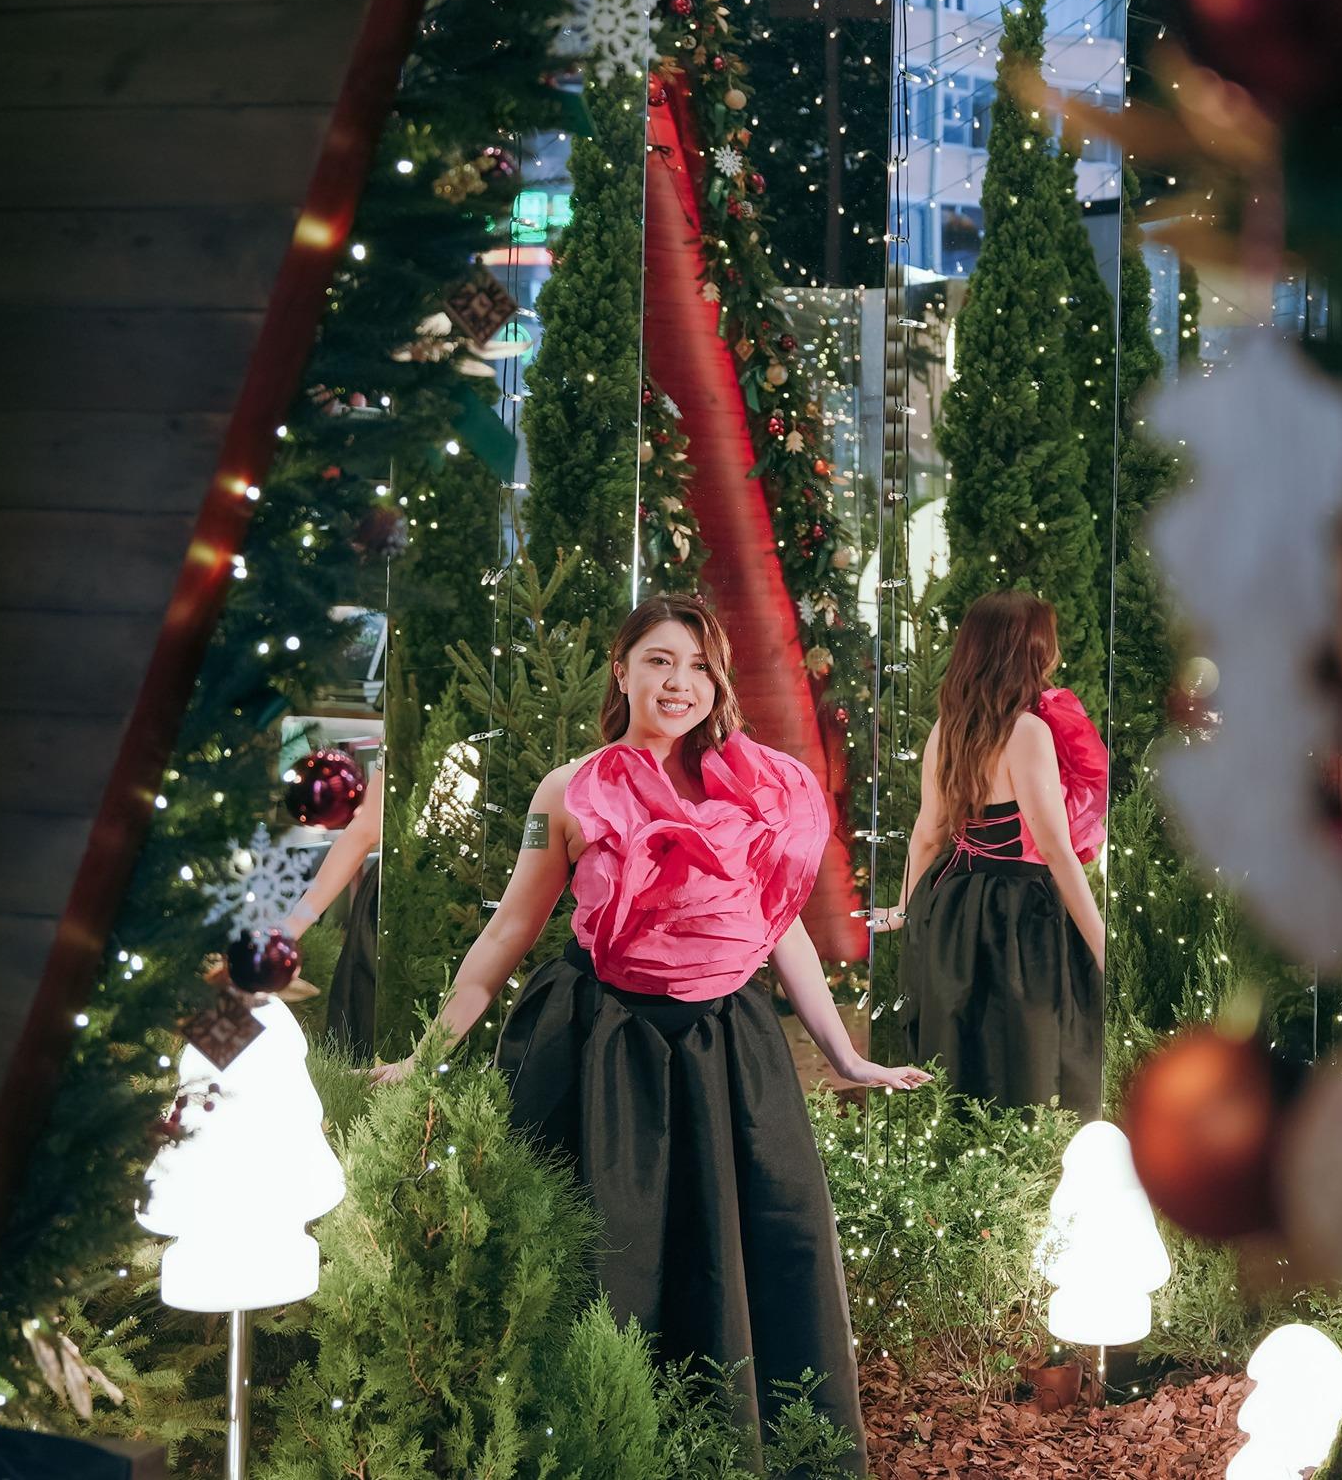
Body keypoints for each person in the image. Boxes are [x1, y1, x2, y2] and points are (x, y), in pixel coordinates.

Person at [386, 594, 924, 1460]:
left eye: (700, 665)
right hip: (604, 1050)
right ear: (622, 668)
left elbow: (777, 922)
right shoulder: (569, 789)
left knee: (756, 1248)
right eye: (661, 661)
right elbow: (506, 932)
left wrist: (844, 1053)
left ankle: (736, 1449)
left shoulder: (758, 787)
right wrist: (424, 1053)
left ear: (719, 682)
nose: (680, 682)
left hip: (728, 1054)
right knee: (613, 1262)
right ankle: (604, 1446)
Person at [879, 591, 1108, 1116]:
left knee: (964, 1058)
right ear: (1027, 651)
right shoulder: (1026, 732)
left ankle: (970, 1180)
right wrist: (1101, 945)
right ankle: (1024, 1182)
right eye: (1046, 645)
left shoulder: (948, 729)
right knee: (1031, 1062)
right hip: (1019, 920)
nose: (1052, 656)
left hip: (954, 910)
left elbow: (928, 834)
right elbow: (1054, 849)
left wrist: (907, 908)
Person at [275, 754, 382, 1061]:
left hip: (474, 903)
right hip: (390, 909)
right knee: (368, 1045)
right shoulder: (405, 715)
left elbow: (366, 830)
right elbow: (365, 830)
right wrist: (290, 929)